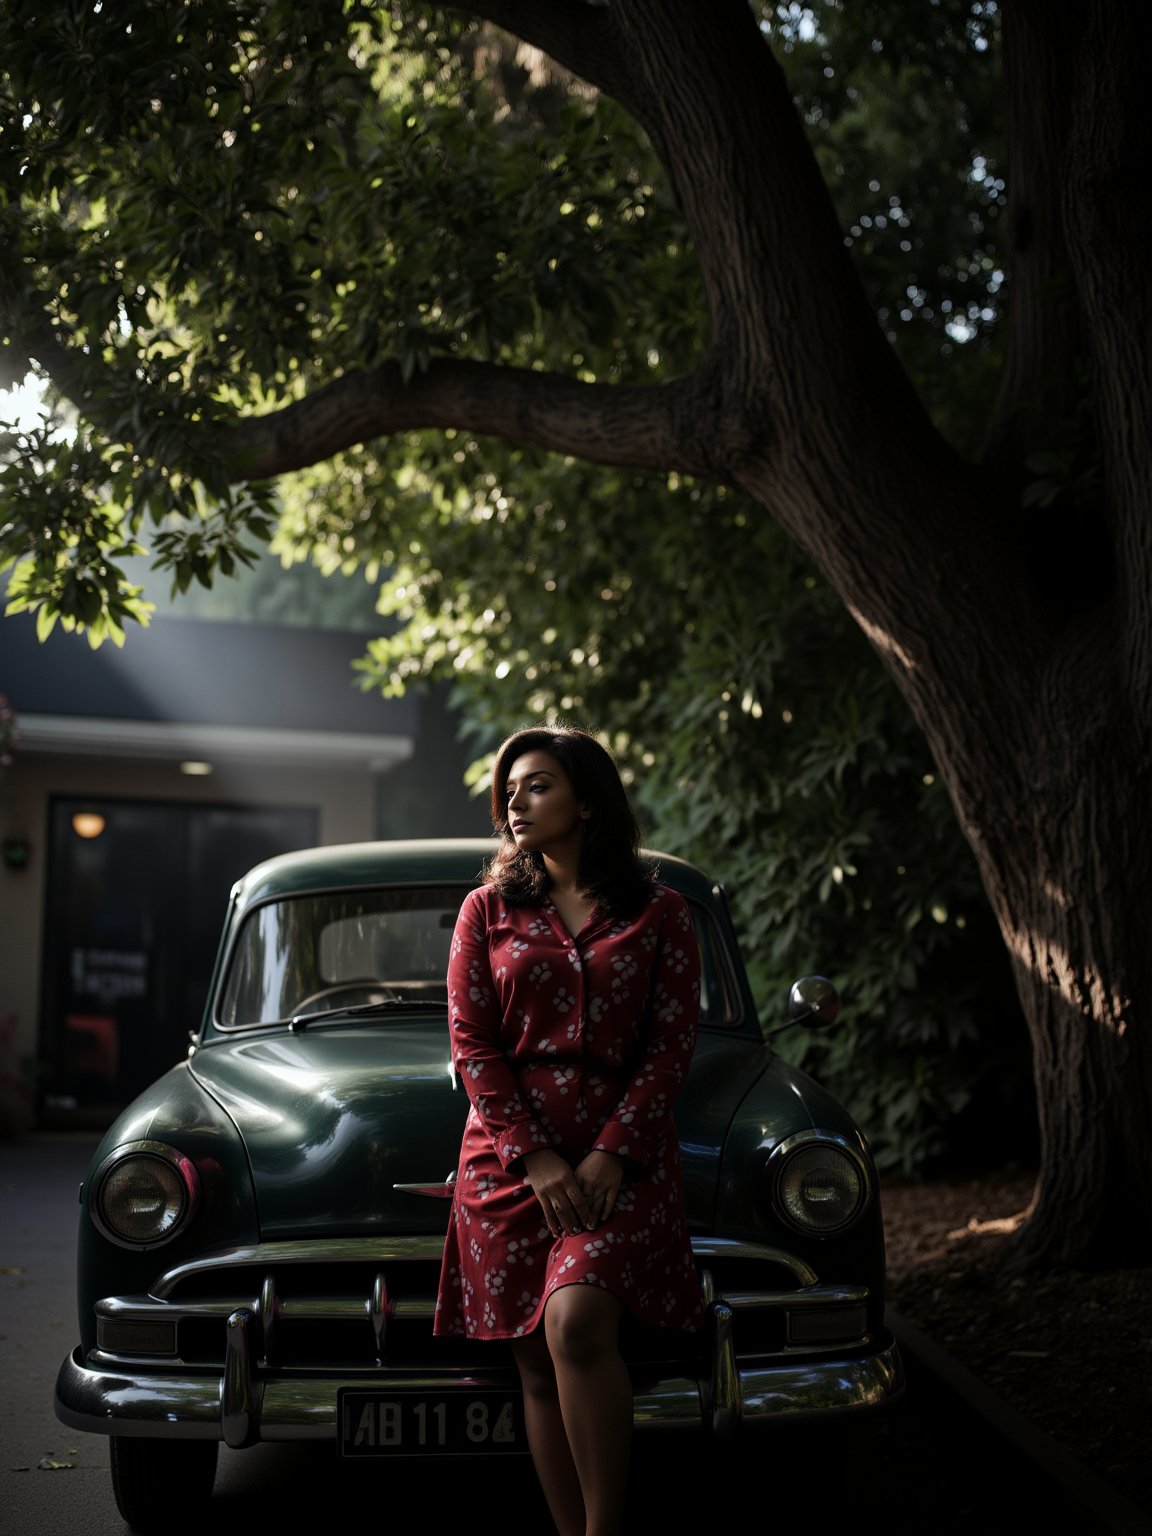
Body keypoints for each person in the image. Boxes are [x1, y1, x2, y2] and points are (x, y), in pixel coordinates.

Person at [434, 722, 705, 1536]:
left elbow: (670, 1046)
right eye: (509, 789)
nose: (516, 801)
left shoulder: (661, 912)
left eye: (538, 784)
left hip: (623, 1165)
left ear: (587, 801)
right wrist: (537, 1157)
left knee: (577, 1322)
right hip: (510, 1168)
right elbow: (472, 1041)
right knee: (537, 1369)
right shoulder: (486, 910)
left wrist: (612, 1153)